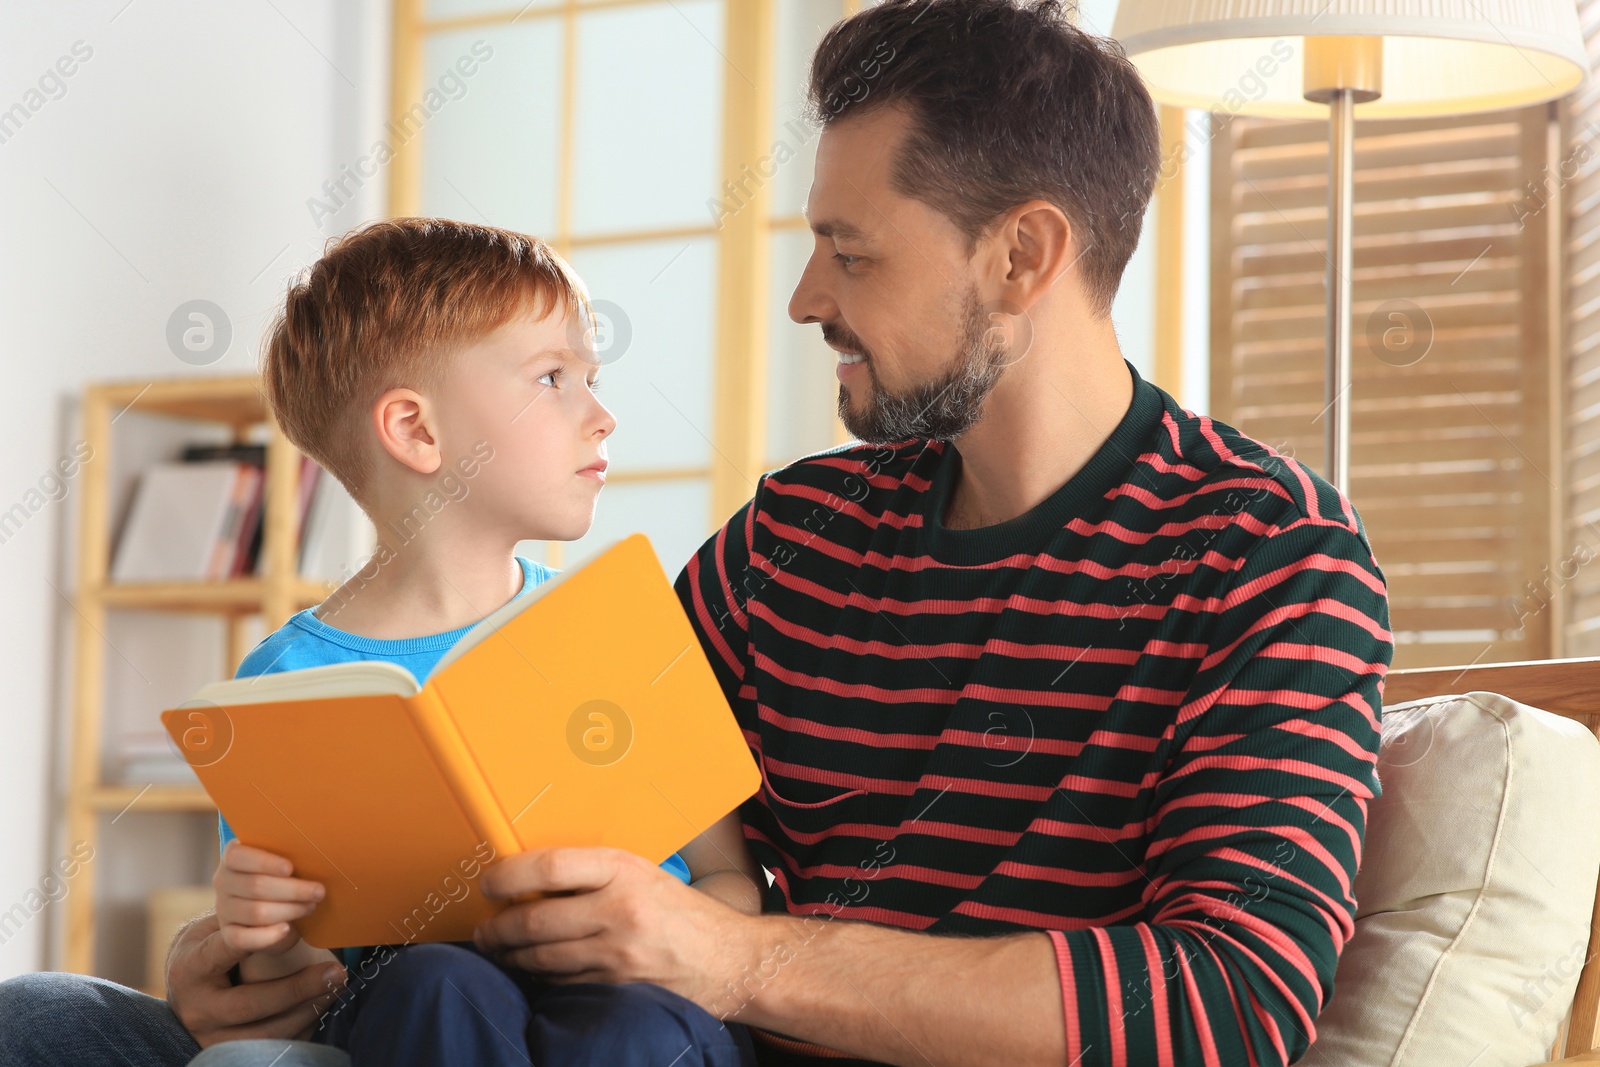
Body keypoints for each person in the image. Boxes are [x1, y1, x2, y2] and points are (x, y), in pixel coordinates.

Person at [1, 3, 1390, 1065]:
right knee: (47, 1014)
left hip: (684, 1036)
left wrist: (735, 958)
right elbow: (531, 753)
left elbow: (1234, 995)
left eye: (851, 252)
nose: (802, 298)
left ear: (1021, 257)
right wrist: (246, 953)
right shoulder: (799, 535)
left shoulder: (1265, 550)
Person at [0, 217, 763, 1067]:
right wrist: (258, 928)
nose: (603, 415)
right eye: (554, 377)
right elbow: (299, 980)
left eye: (593, 376)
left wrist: (680, 932)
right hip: (420, 1006)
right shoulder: (283, 685)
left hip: (634, 993)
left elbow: (730, 879)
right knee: (430, 981)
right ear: (416, 431)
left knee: (632, 1023)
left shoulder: (615, 631)